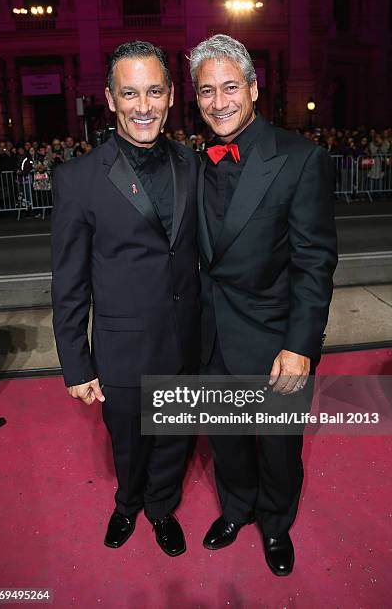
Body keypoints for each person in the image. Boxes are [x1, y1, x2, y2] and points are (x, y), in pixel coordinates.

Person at [189, 35, 337, 575]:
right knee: (225, 439)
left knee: (277, 445)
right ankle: (236, 507)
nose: (219, 101)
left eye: (231, 86)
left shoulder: (301, 159)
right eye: (207, 90)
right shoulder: (193, 162)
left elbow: (314, 263)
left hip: (274, 340)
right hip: (209, 339)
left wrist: (300, 348)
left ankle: (276, 523)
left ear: (253, 88)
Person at [51, 41, 200, 557]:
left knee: (174, 440)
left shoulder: (192, 163)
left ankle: (161, 509)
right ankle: (126, 502)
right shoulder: (78, 179)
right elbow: (68, 282)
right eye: (130, 93)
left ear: (171, 95)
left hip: (186, 338)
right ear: (110, 99)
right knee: (129, 442)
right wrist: (75, 363)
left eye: (154, 91)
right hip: (121, 347)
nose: (144, 106)